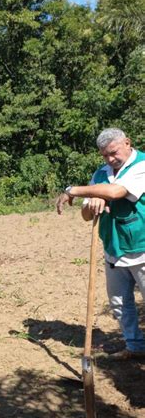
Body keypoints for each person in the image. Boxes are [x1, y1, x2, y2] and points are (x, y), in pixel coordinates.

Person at [56, 128, 145, 360]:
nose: (110, 159)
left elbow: (116, 192)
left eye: (113, 153)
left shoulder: (141, 165)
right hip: (113, 249)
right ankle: (135, 346)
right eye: (104, 155)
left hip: (141, 248)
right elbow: (86, 216)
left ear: (127, 142)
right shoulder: (101, 174)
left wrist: (72, 191)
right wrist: (91, 202)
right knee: (119, 304)